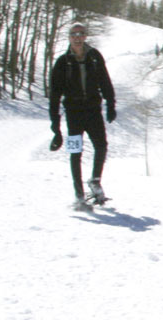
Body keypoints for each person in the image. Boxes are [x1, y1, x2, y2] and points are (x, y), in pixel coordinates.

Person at [48, 23, 116, 208]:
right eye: (74, 35)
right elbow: (54, 94)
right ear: (69, 38)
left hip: (93, 111)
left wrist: (111, 104)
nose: (77, 38)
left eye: (81, 34)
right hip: (73, 113)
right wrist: (55, 127)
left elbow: (105, 81)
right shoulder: (62, 62)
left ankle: (95, 180)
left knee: (101, 145)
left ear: (85, 37)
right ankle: (79, 193)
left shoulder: (95, 57)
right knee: (75, 152)